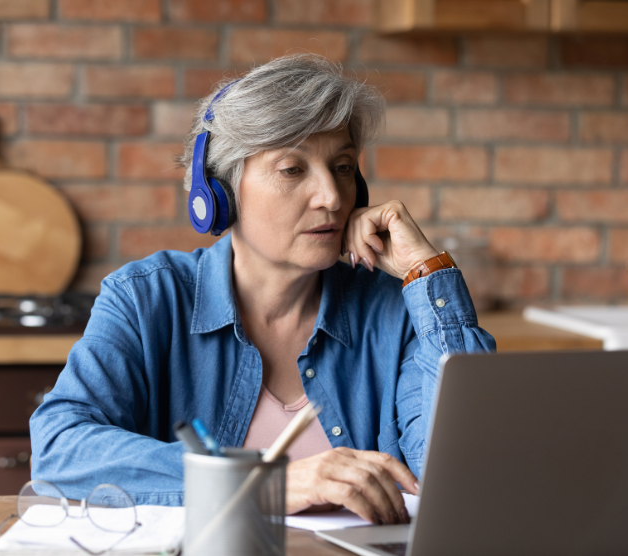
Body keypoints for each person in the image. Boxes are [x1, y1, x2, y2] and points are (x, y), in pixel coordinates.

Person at [30, 54, 495, 526]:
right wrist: (266, 482)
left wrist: (428, 272)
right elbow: (60, 449)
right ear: (219, 192)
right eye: (292, 169)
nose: (332, 197)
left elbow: (466, 469)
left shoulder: (395, 311)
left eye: (342, 167)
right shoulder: (146, 299)